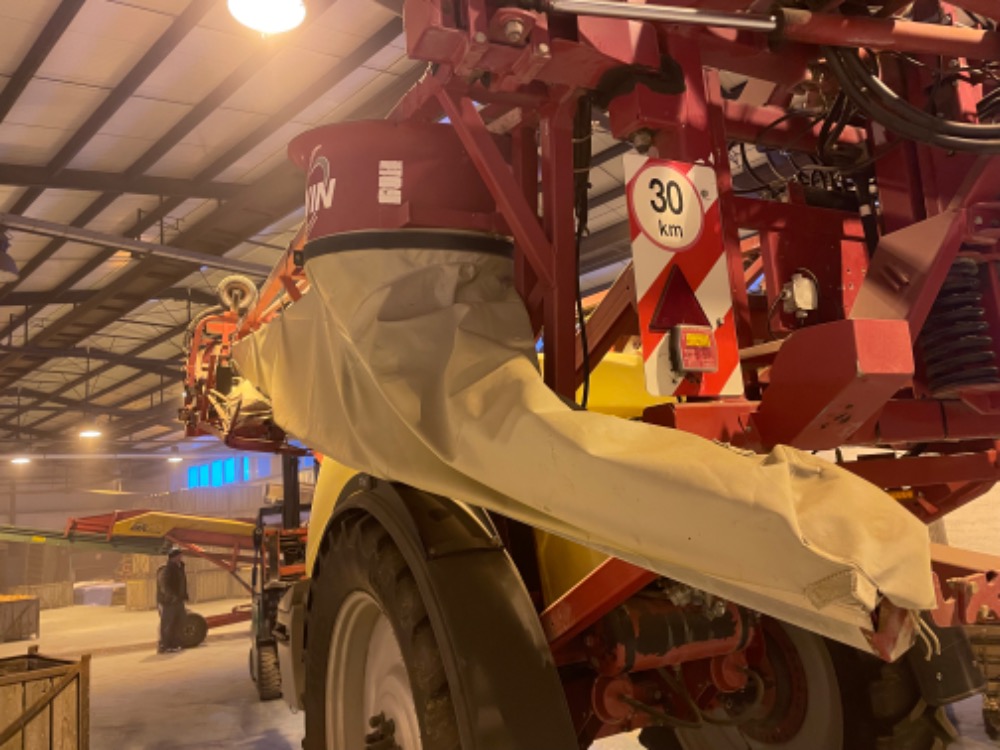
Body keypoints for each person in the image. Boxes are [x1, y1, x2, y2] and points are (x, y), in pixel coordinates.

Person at [156, 547, 188, 653]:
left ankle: (175, 644)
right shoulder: (166, 569)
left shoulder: (180, 567)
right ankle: (164, 646)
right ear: (174, 557)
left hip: (179, 600)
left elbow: (182, 583)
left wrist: (183, 595)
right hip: (169, 601)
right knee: (167, 623)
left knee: (179, 622)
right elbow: (164, 586)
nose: (181, 557)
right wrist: (172, 597)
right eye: (179, 555)